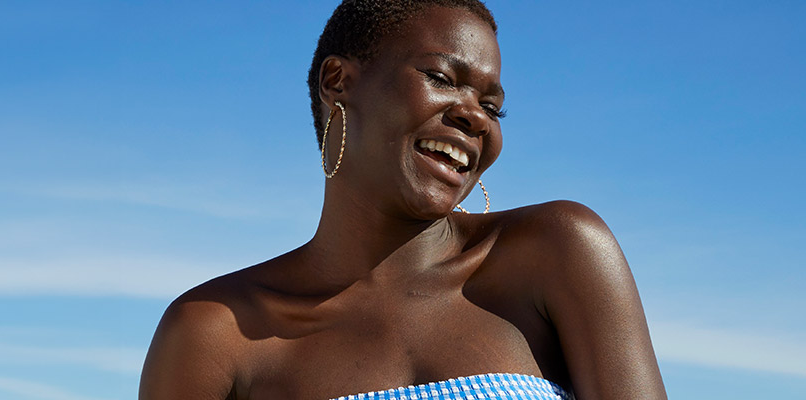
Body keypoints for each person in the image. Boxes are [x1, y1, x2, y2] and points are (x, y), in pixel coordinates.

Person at [137, 1, 668, 399]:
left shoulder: (556, 252)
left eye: (492, 106)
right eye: (441, 78)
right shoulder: (215, 333)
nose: (476, 116)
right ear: (337, 80)